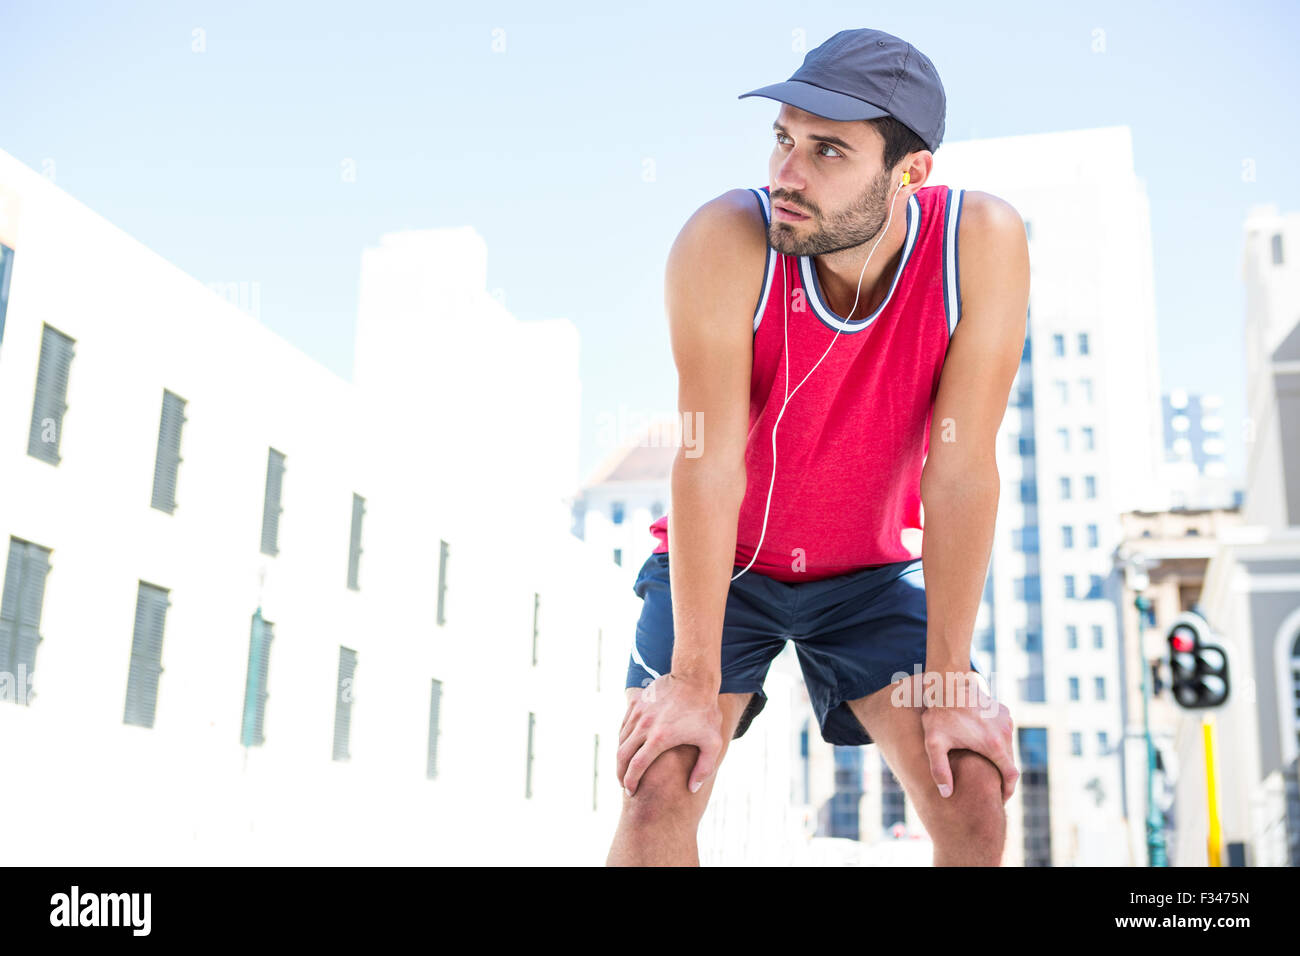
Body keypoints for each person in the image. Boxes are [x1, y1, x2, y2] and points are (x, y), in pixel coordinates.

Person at [606, 28, 1030, 867]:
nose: (786, 174)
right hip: (722, 567)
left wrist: (950, 681)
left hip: (867, 580)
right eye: (783, 139)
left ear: (909, 172)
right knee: (661, 789)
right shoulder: (725, 241)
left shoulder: (979, 243)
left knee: (972, 795)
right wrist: (691, 677)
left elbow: (959, 473)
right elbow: (706, 457)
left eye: (827, 150)